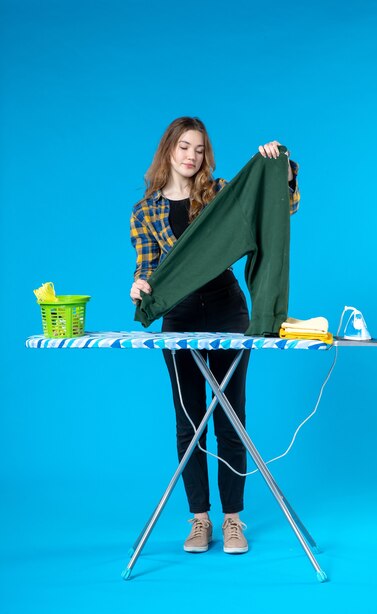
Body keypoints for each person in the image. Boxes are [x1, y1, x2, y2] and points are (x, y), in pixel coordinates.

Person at [130, 116, 300, 555]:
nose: (191, 156)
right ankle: (199, 519)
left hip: (227, 309)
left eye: (199, 149)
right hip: (179, 314)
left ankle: (233, 521)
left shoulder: (220, 194)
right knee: (189, 421)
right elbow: (148, 268)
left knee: (230, 417)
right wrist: (140, 286)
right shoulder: (145, 211)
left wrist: (280, 170)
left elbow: (280, 207)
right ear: (168, 150)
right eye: (184, 147)